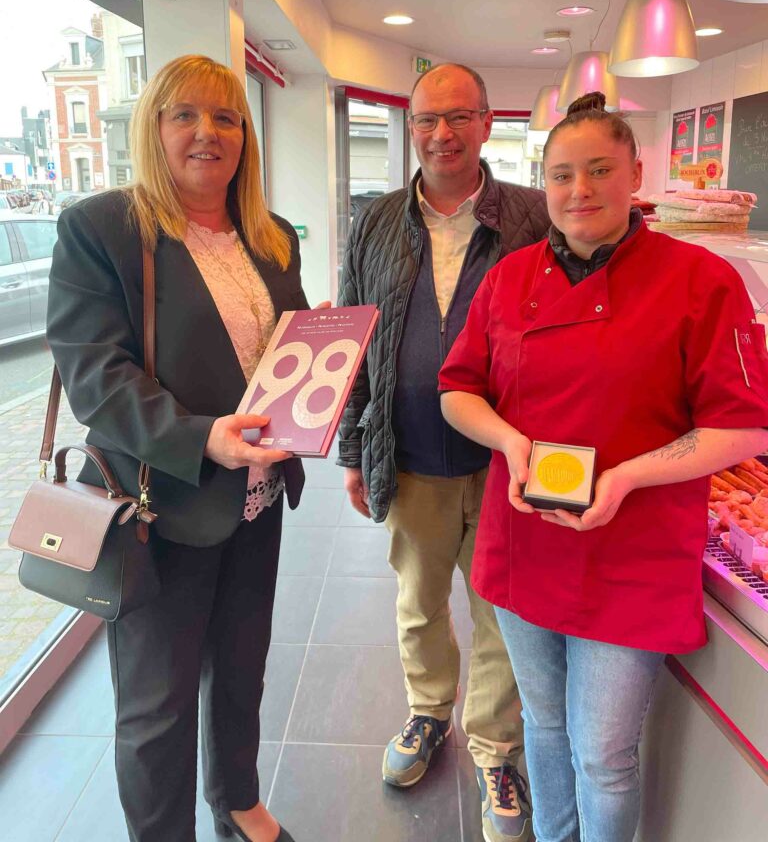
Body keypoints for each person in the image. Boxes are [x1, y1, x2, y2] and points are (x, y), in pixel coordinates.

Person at [438, 92, 768, 842]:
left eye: (598, 170)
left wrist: (626, 477)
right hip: (524, 544)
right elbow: (459, 389)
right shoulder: (510, 277)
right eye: (561, 175)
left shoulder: (699, 280)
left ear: (635, 174)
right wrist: (511, 443)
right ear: (543, 182)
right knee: (545, 731)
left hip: (635, 552)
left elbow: (742, 427)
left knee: (606, 755)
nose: (578, 190)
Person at [46, 55, 310, 842]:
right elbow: (96, 375)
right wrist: (202, 440)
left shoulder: (271, 236)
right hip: (161, 504)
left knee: (240, 667)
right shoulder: (105, 229)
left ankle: (237, 799)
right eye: (185, 115)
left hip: (257, 499)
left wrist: (319, 357)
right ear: (153, 127)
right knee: (157, 704)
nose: (208, 132)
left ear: (245, 137)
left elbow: (280, 354)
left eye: (227, 117)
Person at [337, 62, 550, 842]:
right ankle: (429, 714)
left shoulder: (531, 215)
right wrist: (356, 450)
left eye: (459, 117)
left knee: (501, 612)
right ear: (410, 128)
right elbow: (354, 337)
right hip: (411, 453)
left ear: (489, 123)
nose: (441, 133)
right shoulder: (376, 221)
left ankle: (496, 748)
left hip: (508, 463)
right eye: (427, 119)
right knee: (419, 600)